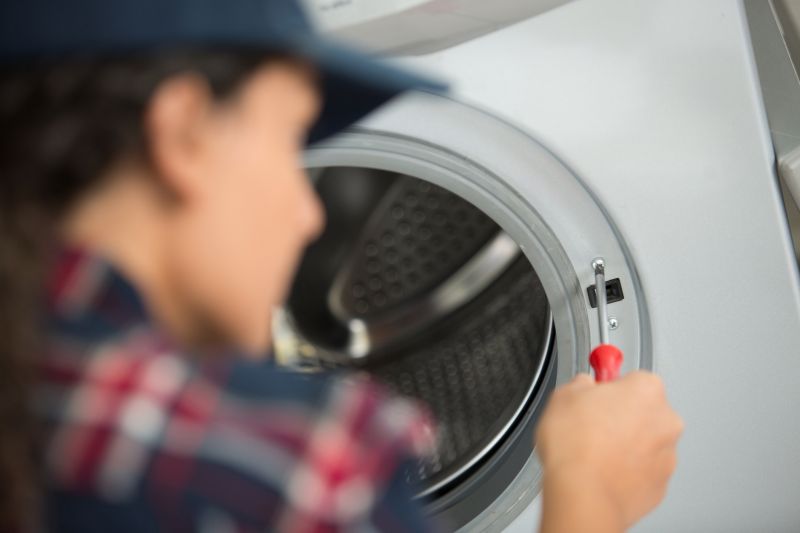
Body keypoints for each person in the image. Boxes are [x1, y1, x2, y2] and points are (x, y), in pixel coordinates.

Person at [0, 0, 683, 531]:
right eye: (291, 137)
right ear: (183, 134)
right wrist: (592, 489)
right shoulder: (290, 464)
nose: (309, 214)